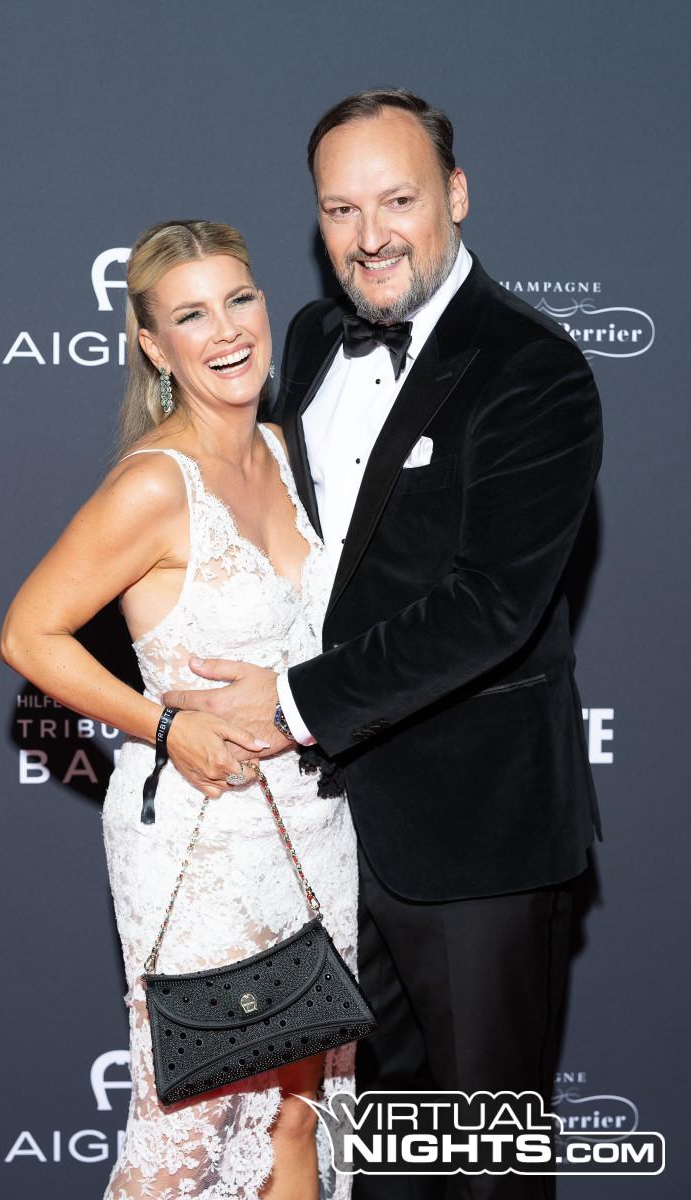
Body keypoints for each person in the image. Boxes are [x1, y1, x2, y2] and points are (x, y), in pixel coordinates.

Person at [160, 90, 603, 1199]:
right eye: (341, 209)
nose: (370, 236)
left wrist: (290, 703)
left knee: (484, 1165)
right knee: (370, 1163)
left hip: (474, 843)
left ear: (455, 194)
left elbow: (490, 607)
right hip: (321, 834)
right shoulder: (313, 339)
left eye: (397, 200)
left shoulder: (532, 370)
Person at [0, 219, 359, 1200]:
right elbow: (28, 633)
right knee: (187, 1133)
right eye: (191, 315)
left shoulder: (286, 450)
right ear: (155, 346)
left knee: (301, 1116)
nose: (227, 329)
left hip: (314, 824)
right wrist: (165, 726)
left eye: (239, 299)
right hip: (202, 841)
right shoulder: (155, 482)